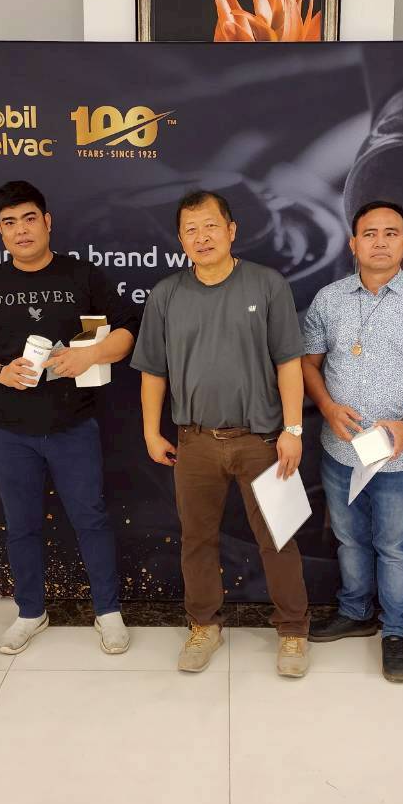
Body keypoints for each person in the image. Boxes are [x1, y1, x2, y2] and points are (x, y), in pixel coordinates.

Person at [0, 180, 138, 655]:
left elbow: (128, 330)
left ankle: (108, 611)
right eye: (10, 223)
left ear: (48, 221)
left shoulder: (81, 274)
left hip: (73, 424)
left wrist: (90, 354)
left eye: (30, 218)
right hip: (9, 430)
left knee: (91, 518)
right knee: (21, 524)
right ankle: (30, 611)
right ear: (0, 231)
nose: (21, 230)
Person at [133, 190, 311, 677]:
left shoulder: (267, 284)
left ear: (231, 230)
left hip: (262, 440)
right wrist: (151, 432)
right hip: (194, 442)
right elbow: (153, 372)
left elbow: (289, 362)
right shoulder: (166, 295)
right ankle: (204, 625)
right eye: (190, 230)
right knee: (197, 539)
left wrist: (293, 429)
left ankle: (293, 631)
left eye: (210, 226)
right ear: (180, 240)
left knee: (280, 535)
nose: (202, 237)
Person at [301, 200, 403, 682]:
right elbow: (309, 363)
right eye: (370, 233)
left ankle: (395, 630)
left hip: (400, 454)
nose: (380, 242)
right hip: (340, 448)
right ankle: (355, 611)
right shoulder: (328, 299)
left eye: (391, 233)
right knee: (349, 538)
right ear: (353, 243)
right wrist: (327, 407)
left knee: (394, 546)